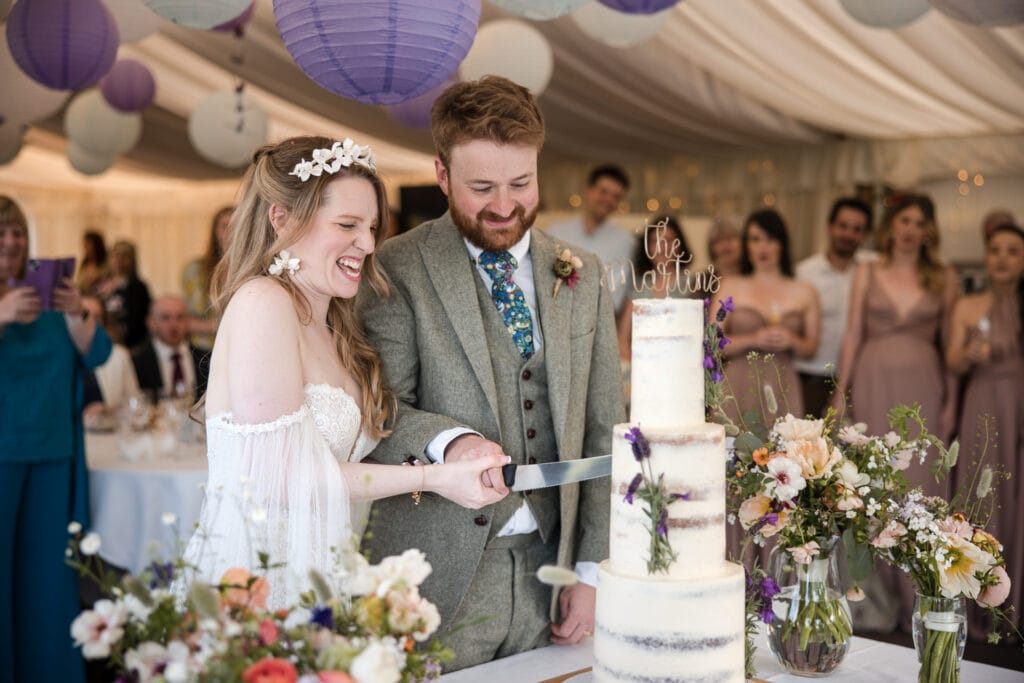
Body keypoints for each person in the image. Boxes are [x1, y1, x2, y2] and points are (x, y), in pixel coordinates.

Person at [173, 135, 509, 612]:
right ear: (282, 220)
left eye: (372, 226)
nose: (368, 244)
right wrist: (433, 480)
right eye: (347, 224)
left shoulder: (335, 325)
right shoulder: (263, 303)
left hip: (321, 583)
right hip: (258, 590)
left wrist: (459, 449)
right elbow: (283, 482)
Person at [357, 76, 624, 671]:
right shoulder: (396, 267)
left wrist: (590, 570)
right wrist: (452, 443)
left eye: (520, 183)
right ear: (442, 175)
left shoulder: (581, 271)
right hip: (437, 574)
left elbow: (607, 427)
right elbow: (380, 411)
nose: (504, 206)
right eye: (481, 187)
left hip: (551, 575)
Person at [0, 195, 112, 683]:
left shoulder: (51, 298)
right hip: (1, 455)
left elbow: (99, 356)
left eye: (17, 232)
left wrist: (76, 313)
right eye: (2, 233)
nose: (10, 241)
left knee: (49, 580)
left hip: (54, 456)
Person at [835, 193, 958, 494]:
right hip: (872, 380)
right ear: (891, 225)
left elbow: (951, 345)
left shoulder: (945, 276)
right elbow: (852, 334)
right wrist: (839, 393)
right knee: (871, 468)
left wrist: (952, 403)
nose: (910, 230)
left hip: (924, 386)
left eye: (919, 223)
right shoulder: (867, 271)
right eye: (905, 220)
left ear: (929, 231)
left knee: (919, 466)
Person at [947, 223, 1024, 637]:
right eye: (995, 249)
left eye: (1013, 250)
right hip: (982, 404)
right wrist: (969, 354)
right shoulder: (967, 304)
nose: (1002, 258)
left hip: (1020, 400)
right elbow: (953, 363)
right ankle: (981, 605)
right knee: (983, 495)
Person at [715, 208, 820, 429]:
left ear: (782, 244)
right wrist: (753, 339)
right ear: (746, 245)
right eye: (755, 239)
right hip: (738, 382)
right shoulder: (730, 285)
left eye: (770, 239)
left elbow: (811, 349)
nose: (763, 247)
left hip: (783, 381)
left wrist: (792, 340)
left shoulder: (805, 291)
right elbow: (711, 343)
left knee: (784, 453)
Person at [795, 197, 874, 417]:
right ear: (829, 227)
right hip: (811, 376)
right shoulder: (804, 273)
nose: (848, 234)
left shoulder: (872, 271)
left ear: (866, 235)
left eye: (857, 229)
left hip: (857, 379)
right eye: (843, 226)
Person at [546, 164, 635, 313]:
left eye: (616, 196)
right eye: (603, 192)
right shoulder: (556, 232)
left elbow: (614, 292)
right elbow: (545, 279)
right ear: (588, 190)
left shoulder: (626, 241)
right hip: (555, 316)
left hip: (598, 322)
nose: (608, 200)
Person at [617, 215, 696, 361]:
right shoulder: (639, 286)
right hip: (642, 369)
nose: (661, 247)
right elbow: (623, 337)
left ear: (679, 246)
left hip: (680, 364)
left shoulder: (693, 284)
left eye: (668, 241)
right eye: (655, 241)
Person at [131, 295, 209, 401]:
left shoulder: (206, 358)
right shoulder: (137, 362)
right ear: (151, 323)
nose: (174, 324)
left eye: (180, 317)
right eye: (165, 318)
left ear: (188, 321)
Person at [80, 294, 142, 419]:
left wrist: (111, 411)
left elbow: (135, 404)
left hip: (109, 433)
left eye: (97, 317)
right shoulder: (56, 358)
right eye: (84, 315)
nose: (91, 322)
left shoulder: (118, 356)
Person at [182, 206, 233, 351]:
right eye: (225, 226)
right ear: (215, 232)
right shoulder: (195, 271)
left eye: (236, 226)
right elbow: (185, 320)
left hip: (241, 346)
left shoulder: (253, 269)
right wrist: (221, 326)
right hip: (203, 349)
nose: (230, 232)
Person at [99, 239, 151, 348]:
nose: (119, 260)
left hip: (131, 345)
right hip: (103, 342)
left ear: (132, 261)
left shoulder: (139, 287)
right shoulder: (101, 285)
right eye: (116, 255)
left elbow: (139, 320)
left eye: (125, 256)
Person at [76, 229, 110, 295]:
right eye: (84, 244)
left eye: (88, 244)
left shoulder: (106, 264)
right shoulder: (84, 263)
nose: (85, 247)